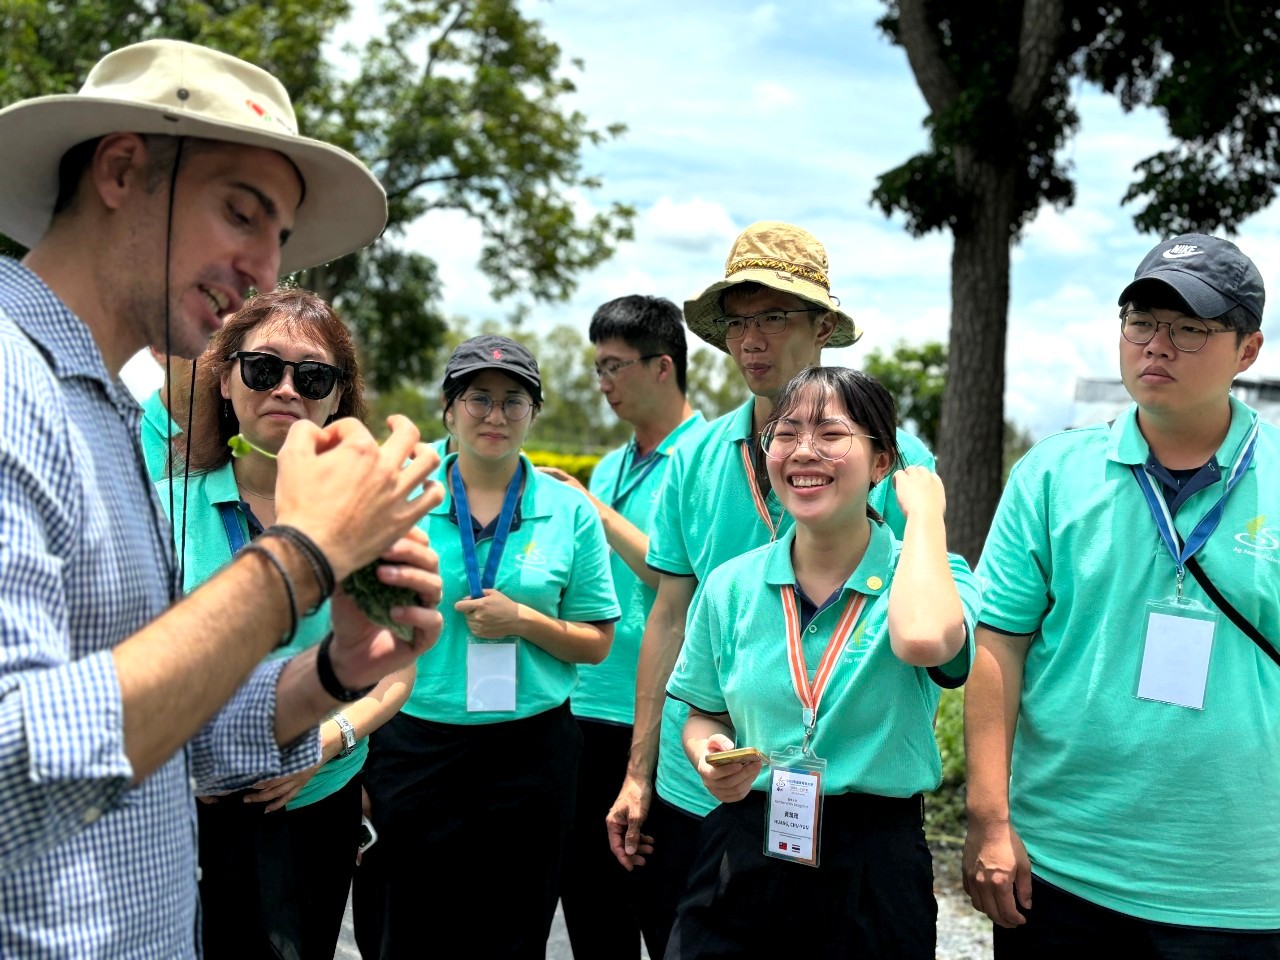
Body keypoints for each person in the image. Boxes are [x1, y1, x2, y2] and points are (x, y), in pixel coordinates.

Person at [0, 39, 442, 957]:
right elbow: (16, 764)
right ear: (122, 168)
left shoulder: (105, 410)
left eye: (280, 238)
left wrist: (333, 672)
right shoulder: (10, 384)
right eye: (242, 213)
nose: (263, 266)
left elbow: (164, 740)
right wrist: (301, 561)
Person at [605, 221, 938, 955]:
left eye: (774, 317)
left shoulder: (897, 460)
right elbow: (668, 619)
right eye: (737, 322)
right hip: (708, 794)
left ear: (823, 327)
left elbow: (935, 620)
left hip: (852, 803)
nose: (750, 340)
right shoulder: (693, 460)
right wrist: (638, 773)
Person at [963, 233, 1280, 957]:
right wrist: (987, 816)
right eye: (1141, 322)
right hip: (1064, 870)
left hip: (1245, 889)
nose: (1156, 345)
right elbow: (998, 646)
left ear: (1249, 350)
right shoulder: (1050, 475)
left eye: (1190, 328)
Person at [665, 366, 976, 957]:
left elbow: (924, 642)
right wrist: (707, 754)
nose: (804, 451)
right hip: (745, 845)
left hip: (872, 859)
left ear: (882, 463)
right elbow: (704, 714)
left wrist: (927, 515)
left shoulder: (936, 578)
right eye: (786, 434)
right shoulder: (729, 587)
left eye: (832, 434)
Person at [148, 288, 417, 960]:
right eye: (263, 368)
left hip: (319, 796)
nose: (286, 389)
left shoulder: (368, 518)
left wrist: (327, 741)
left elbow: (395, 667)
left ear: (337, 395)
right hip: (187, 809)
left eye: (313, 375)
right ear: (226, 379)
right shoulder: (162, 504)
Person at [359, 334, 621, 958]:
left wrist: (523, 621)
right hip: (416, 743)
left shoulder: (568, 510)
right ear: (448, 409)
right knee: (409, 927)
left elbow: (596, 643)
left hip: (531, 752)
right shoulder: (403, 501)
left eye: (513, 401)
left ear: (533, 413)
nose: (495, 416)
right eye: (479, 398)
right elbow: (365, 630)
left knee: (515, 930)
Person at [543, 295, 704, 959]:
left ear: (662, 367)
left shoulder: (709, 459)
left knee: (665, 911)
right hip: (585, 709)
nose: (602, 382)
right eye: (598, 367)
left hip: (662, 721)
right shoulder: (610, 466)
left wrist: (591, 511)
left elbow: (680, 580)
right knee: (591, 908)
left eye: (614, 366)